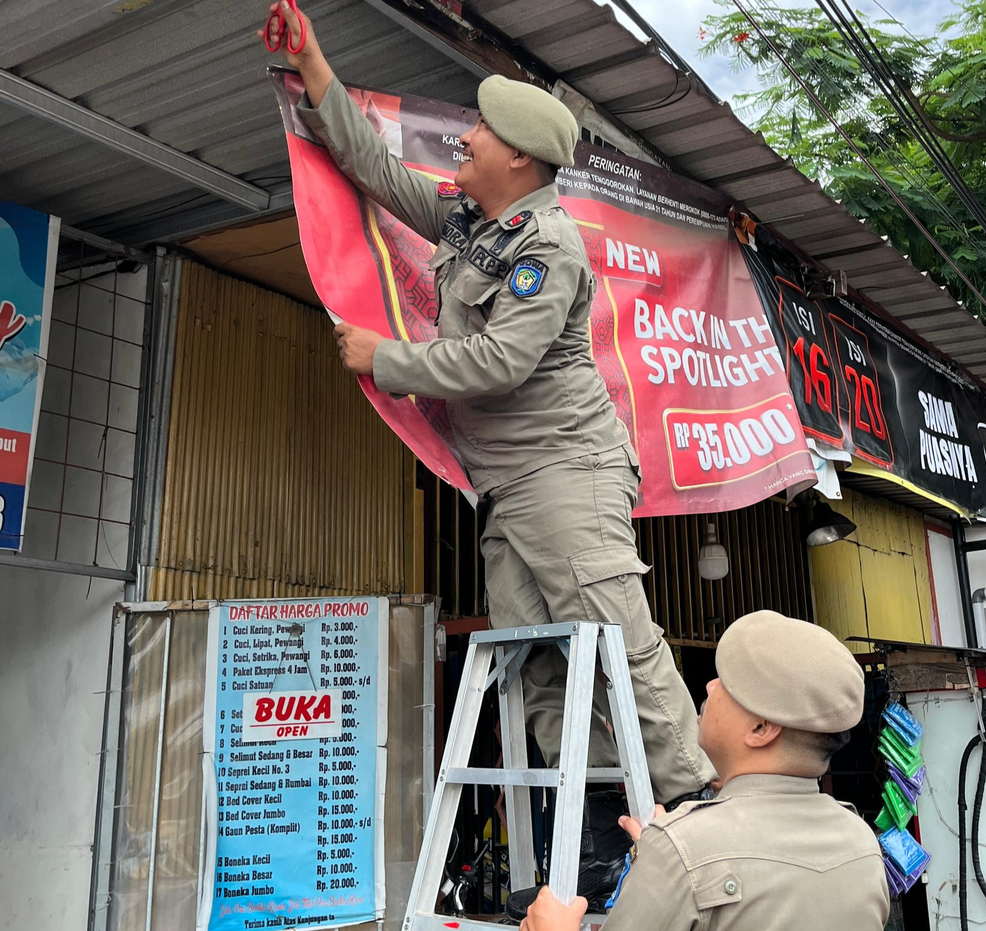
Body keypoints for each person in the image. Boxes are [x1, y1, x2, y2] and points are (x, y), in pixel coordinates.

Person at [261, 0, 714, 903]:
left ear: (521, 158)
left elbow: (502, 361)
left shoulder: (549, 245)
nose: (464, 138)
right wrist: (312, 63)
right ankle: (591, 843)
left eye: (480, 129)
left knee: (618, 645)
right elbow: (377, 170)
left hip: (566, 471)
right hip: (505, 485)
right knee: (535, 666)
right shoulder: (471, 222)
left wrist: (386, 357)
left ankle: (704, 815)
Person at [520, 610, 890, 931]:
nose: (711, 687)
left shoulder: (680, 850)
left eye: (727, 685)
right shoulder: (862, 845)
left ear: (761, 728)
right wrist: (663, 857)